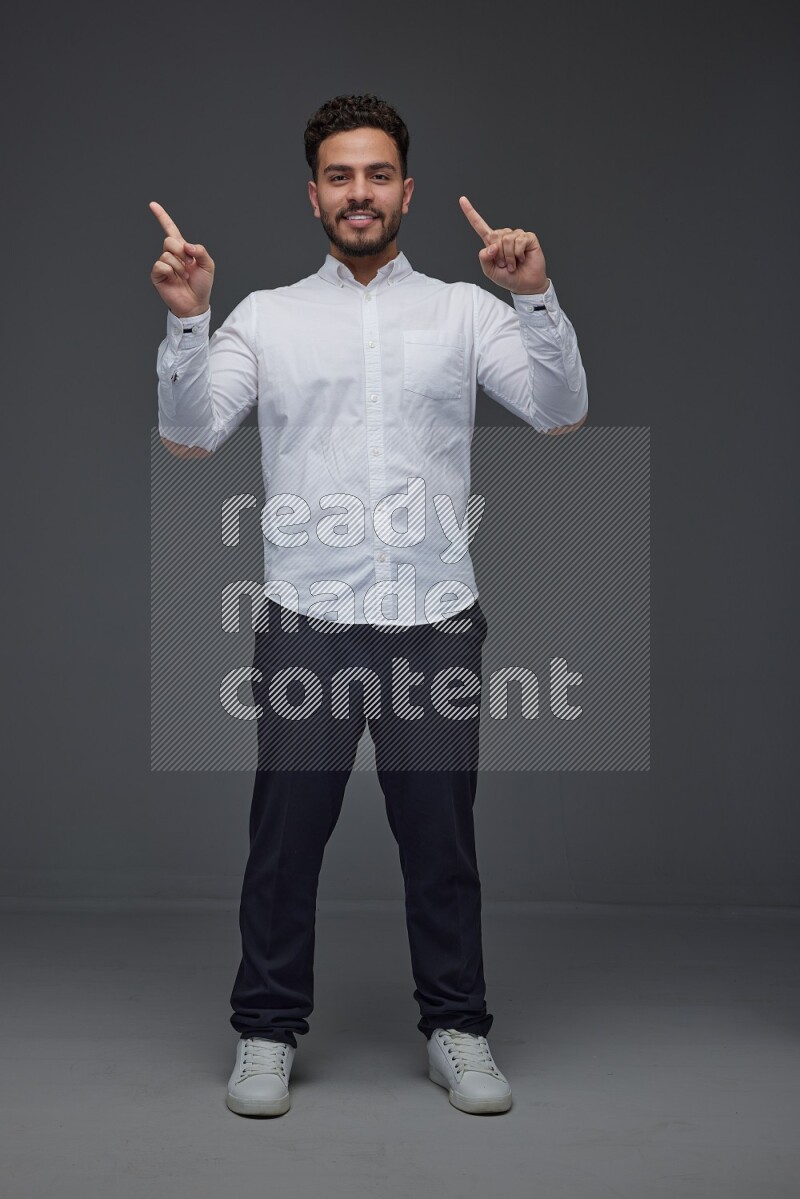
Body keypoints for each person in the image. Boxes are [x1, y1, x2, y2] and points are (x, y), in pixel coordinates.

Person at [150, 93, 588, 1118]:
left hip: (432, 617)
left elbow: (559, 409)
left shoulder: (463, 312)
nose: (360, 193)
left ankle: (458, 1026)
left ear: (406, 190)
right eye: (340, 177)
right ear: (313, 196)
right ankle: (264, 1030)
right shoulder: (265, 316)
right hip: (307, 617)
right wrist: (187, 320)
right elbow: (190, 433)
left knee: (441, 841)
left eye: (377, 174)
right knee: (284, 840)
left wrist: (534, 296)